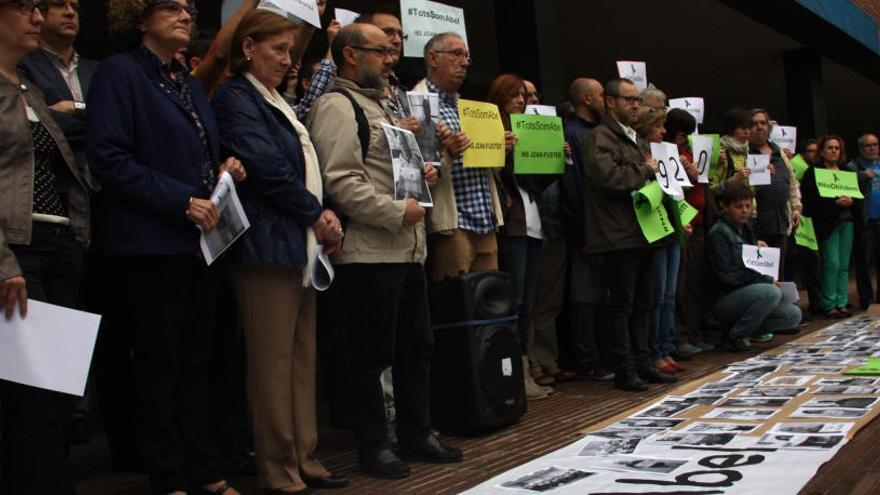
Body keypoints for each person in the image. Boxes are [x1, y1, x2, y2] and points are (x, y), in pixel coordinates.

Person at [89, 1, 246, 493]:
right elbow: (109, 159)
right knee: (158, 362)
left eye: (188, 7)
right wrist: (183, 201)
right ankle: (168, 474)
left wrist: (224, 168)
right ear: (138, 18)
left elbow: (193, 152)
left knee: (198, 361)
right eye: (170, 7)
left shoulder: (187, 79)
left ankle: (205, 467)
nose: (184, 14)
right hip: (150, 243)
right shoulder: (120, 73)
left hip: (200, 243)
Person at [307, 23, 458, 480]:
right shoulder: (337, 106)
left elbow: (402, 169)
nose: (391, 58)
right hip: (370, 252)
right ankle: (375, 444)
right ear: (351, 55)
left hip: (408, 250)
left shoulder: (389, 104)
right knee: (371, 356)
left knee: (417, 347)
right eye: (380, 51)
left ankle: (417, 433)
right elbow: (341, 181)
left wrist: (430, 169)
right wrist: (396, 211)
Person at [211, 10, 348, 494]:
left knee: (301, 356)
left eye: (291, 51)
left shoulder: (277, 100)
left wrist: (321, 215)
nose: (288, 61)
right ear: (248, 47)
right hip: (266, 246)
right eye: (278, 50)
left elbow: (303, 166)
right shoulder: (235, 97)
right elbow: (266, 167)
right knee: (271, 362)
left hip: (300, 246)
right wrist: (317, 213)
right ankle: (278, 467)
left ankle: (305, 456)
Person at [0, 2, 90, 492]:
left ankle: (53, 481)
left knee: (56, 389)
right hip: (18, 247)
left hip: (60, 243)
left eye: (40, 9)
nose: (36, 18)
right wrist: (2, 262)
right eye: (24, 8)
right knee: (28, 390)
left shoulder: (28, 85)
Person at [581, 78, 677, 391]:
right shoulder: (601, 136)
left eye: (637, 100)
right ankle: (625, 369)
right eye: (628, 100)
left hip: (643, 231)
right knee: (621, 305)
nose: (635, 105)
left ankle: (644, 362)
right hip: (618, 234)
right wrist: (647, 169)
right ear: (610, 102)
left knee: (644, 302)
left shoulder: (631, 137)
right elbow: (608, 178)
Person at [415, 32, 505, 281]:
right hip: (452, 226)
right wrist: (449, 154)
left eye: (466, 56)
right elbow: (418, 172)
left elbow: (489, 170)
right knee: (459, 309)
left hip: (485, 222)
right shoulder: (419, 103)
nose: (465, 62)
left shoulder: (469, 108)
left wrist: (499, 150)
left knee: (490, 309)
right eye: (456, 54)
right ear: (433, 59)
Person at [487, 73, 553, 399]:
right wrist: (504, 150)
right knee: (512, 302)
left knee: (527, 302)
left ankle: (525, 370)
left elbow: (536, 182)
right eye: (515, 95)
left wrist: (557, 157)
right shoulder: (495, 130)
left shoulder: (528, 130)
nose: (522, 101)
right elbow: (493, 173)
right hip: (512, 225)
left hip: (533, 223)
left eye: (524, 96)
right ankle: (510, 371)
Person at [559, 77, 613, 380]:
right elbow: (575, 186)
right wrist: (583, 231)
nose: (606, 99)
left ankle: (602, 355)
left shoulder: (596, 132)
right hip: (586, 227)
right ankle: (587, 359)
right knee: (584, 296)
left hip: (604, 227)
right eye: (601, 94)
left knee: (602, 295)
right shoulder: (571, 134)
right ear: (586, 98)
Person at [706, 182, 801, 350]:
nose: (744, 211)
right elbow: (728, 274)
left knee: (792, 314)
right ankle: (734, 336)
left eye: (747, 206)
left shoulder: (747, 228)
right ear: (726, 207)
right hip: (725, 297)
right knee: (770, 292)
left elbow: (751, 263)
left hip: (748, 292)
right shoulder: (719, 232)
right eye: (738, 206)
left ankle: (748, 330)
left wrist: (758, 251)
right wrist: (764, 279)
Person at [18, 0, 96, 189]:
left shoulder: (99, 69)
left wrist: (74, 107)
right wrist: (100, 122)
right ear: (38, 11)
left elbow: (122, 123)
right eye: (59, 4)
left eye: (75, 7)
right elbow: (40, 122)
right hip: (53, 182)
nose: (70, 13)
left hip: (103, 184)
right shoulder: (22, 64)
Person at [633, 106, 687, 375]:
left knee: (668, 294)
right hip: (653, 228)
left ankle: (665, 347)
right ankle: (654, 350)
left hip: (672, 225)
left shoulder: (666, 151)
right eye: (658, 126)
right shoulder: (640, 151)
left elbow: (676, 190)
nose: (663, 131)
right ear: (645, 127)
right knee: (656, 293)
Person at [663, 109, 718, 355]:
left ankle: (693, 333)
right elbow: (671, 190)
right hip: (683, 223)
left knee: (695, 282)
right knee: (680, 285)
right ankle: (680, 336)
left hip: (699, 222)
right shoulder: (668, 153)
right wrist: (687, 177)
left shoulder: (688, 152)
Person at [801, 135, 862, 318]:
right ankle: (829, 304)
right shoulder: (813, 172)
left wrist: (851, 200)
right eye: (830, 148)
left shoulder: (847, 171)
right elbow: (810, 201)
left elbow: (858, 196)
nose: (834, 151)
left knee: (843, 265)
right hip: (827, 223)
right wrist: (834, 203)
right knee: (831, 264)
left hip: (847, 222)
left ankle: (841, 302)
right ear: (822, 151)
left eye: (837, 148)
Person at [749, 109, 802, 278]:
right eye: (754, 124)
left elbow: (792, 183)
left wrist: (795, 208)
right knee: (761, 273)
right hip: (757, 224)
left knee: (780, 271)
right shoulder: (745, 153)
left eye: (762, 123)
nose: (759, 127)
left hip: (781, 222)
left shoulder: (780, 153)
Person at [849, 133, 880, 309]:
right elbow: (845, 183)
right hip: (866, 221)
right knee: (864, 263)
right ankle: (867, 300)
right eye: (868, 145)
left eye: (875, 144)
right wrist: (862, 176)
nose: (872, 148)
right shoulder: (853, 166)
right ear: (861, 148)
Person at [711, 107, 753, 198]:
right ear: (731, 128)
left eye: (749, 128)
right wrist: (733, 181)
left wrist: (766, 174)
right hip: (727, 209)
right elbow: (711, 190)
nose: (747, 132)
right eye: (742, 128)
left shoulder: (748, 151)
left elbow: (753, 190)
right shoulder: (720, 152)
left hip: (750, 208)